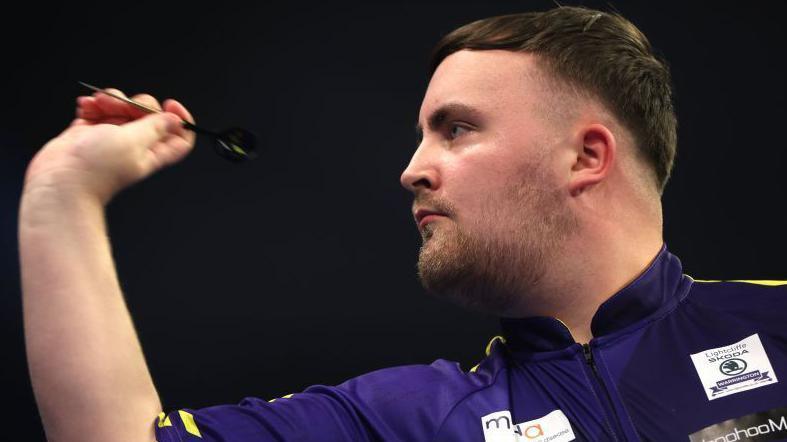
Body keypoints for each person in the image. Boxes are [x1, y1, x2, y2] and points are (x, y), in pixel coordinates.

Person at [19, 6, 787, 442]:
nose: (411, 169)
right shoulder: (406, 420)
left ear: (585, 155)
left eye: (455, 129)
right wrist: (61, 195)